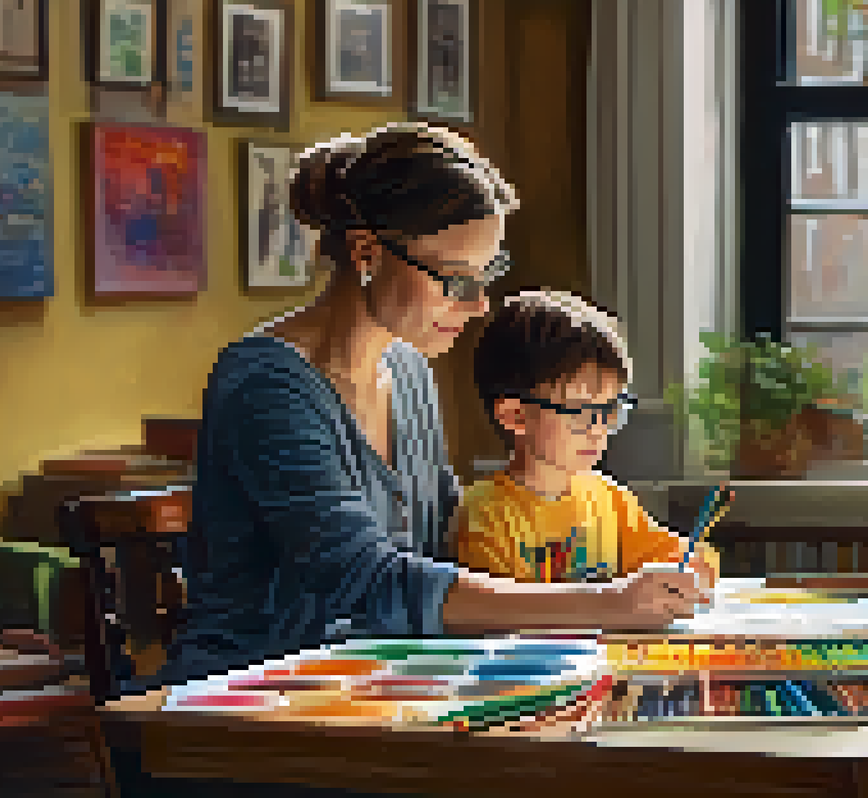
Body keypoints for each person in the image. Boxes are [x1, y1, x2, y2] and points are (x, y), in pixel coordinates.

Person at [147, 123, 705, 692]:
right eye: (454, 279)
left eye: (486, 277)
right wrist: (602, 603)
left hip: (378, 688)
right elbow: (365, 581)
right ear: (367, 253)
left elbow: (441, 547)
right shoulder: (266, 385)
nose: (479, 303)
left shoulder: (409, 370)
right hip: (243, 703)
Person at [450, 291, 722, 586]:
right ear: (515, 416)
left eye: (611, 410)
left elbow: (674, 556)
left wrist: (694, 564)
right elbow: (495, 613)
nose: (599, 429)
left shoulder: (609, 499)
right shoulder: (484, 515)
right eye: (582, 412)